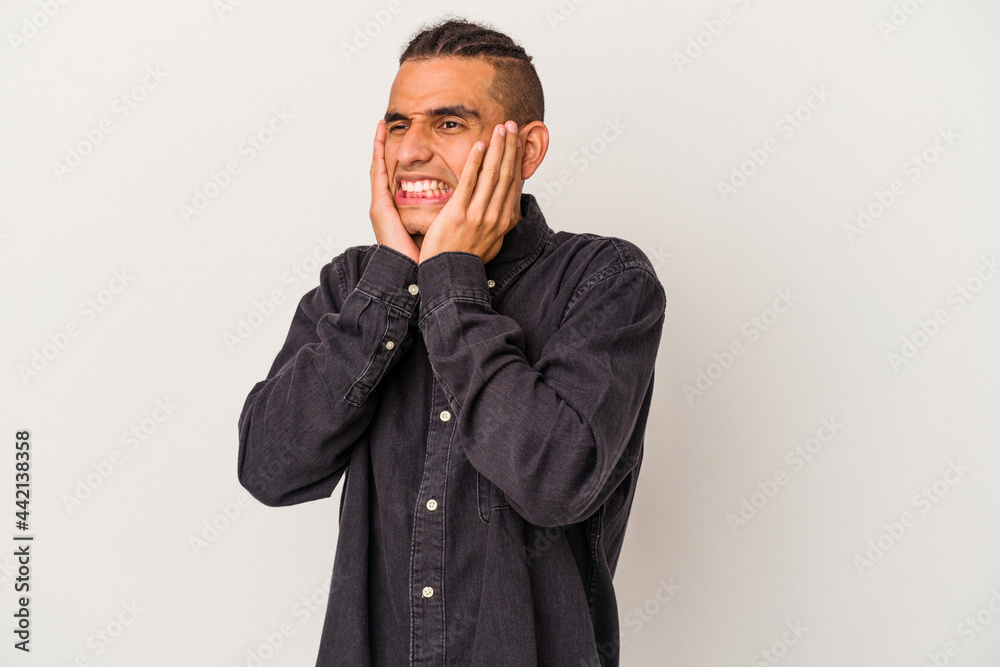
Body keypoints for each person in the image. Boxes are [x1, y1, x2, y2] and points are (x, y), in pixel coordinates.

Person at [237, 16, 666, 666]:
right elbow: (269, 469)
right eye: (398, 125)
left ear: (527, 150)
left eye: (448, 123)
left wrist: (449, 284)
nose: (410, 151)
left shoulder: (606, 280)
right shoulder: (353, 286)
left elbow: (556, 481)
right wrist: (391, 284)